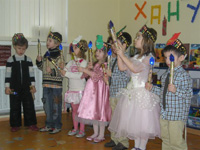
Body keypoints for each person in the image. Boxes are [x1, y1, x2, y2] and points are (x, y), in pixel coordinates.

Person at [108, 25, 160, 150]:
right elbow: (122, 67)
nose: (136, 39)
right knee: (135, 124)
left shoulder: (149, 57)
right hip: (132, 93)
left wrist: (122, 55)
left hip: (142, 93)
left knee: (143, 124)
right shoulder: (135, 57)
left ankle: (142, 147)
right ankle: (136, 147)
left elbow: (135, 69)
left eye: (138, 37)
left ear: (146, 41)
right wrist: (120, 54)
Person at [146, 33, 193, 150]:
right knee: (165, 139)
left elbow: (189, 94)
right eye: (166, 57)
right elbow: (163, 92)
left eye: (170, 57)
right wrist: (152, 88)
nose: (167, 60)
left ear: (181, 57)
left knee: (176, 142)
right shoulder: (166, 74)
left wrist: (176, 90)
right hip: (165, 113)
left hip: (176, 116)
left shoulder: (183, 76)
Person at [77, 35, 112, 143]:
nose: (97, 53)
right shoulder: (96, 64)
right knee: (94, 112)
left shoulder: (105, 65)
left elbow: (97, 77)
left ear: (106, 54)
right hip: (93, 93)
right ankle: (95, 132)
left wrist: (86, 70)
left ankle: (101, 134)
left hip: (100, 93)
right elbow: (85, 76)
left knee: (100, 112)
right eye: (97, 51)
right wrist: (87, 69)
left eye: (100, 51)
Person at [5, 33, 38, 132]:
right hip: (14, 89)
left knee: (29, 105)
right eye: (19, 48)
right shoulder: (10, 60)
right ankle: (15, 125)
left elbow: (32, 74)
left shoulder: (28, 60)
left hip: (27, 89)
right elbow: (7, 76)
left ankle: (31, 123)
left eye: (23, 49)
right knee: (14, 105)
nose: (21, 51)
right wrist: (7, 87)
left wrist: (32, 86)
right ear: (14, 47)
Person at [104, 32, 132, 150]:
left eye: (117, 44)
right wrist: (107, 78)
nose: (114, 47)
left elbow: (125, 77)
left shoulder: (127, 59)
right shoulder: (115, 59)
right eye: (114, 45)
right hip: (113, 92)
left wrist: (112, 75)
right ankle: (115, 139)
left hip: (121, 93)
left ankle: (123, 142)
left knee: (121, 118)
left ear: (125, 45)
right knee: (114, 117)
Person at [36, 31, 64, 134]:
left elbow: (62, 71)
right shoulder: (46, 54)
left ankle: (57, 125)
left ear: (57, 44)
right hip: (46, 85)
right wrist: (39, 62)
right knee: (47, 106)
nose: (47, 42)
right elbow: (42, 68)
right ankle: (49, 124)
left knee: (56, 107)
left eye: (50, 41)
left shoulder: (60, 56)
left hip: (56, 86)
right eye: (47, 40)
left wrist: (52, 71)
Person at [60, 36, 88, 138]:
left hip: (80, 91)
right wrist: (62, 70)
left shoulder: (84, 63)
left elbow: (80, 76)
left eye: (75, 48)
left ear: (81, 49)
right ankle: (75, 128)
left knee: (81, 112)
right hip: (72, 91)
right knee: (74, 111)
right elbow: (64, 73)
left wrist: (67, 74)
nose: (73, 50)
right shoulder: (71, 62)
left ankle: (82, 130)